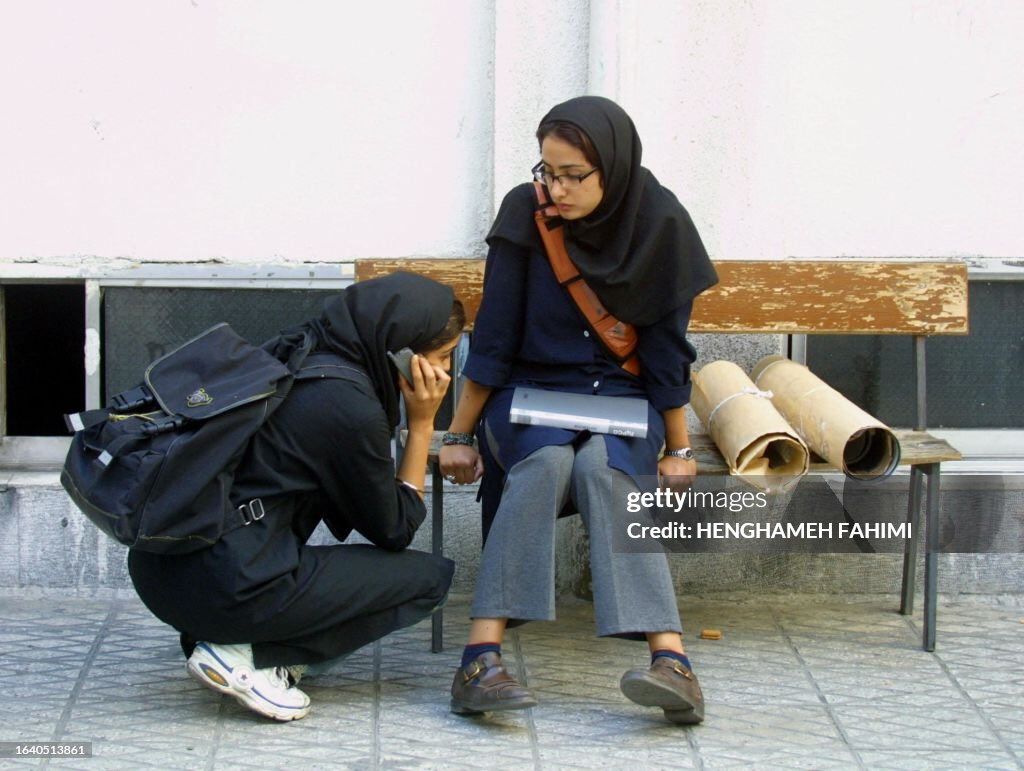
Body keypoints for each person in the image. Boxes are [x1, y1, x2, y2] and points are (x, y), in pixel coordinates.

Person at [439, 96, 718, 725]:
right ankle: (479, 658)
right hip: (531, 392)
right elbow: (496, 334)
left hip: (622, 396)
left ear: (611, 169)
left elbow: (668, 352)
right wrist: (458, 431)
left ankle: (672, 664)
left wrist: (677, 448)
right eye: (547, 171)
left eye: (571, 175)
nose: (555, 189)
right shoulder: (526, 210)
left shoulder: (660, 223)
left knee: (605, 473)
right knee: (543, 467)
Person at [128, 272, 462, 721]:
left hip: (161, 569)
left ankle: (225, 639)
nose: (443, 373)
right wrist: (421, 425)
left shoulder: (298, 350)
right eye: (441, 357)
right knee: (430, 579)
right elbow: (396, 528)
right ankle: (255, 659)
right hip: (225, 585)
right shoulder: (345, 404)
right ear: (401, 350)